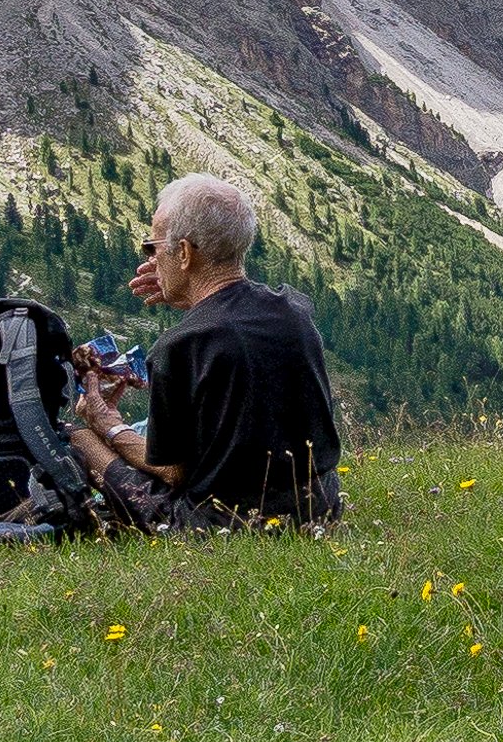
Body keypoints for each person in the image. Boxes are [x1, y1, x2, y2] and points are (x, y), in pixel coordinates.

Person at [65, 172, 343, 526]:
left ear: (183, 252)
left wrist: (109, 425)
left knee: (76, 438)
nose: (151, 259)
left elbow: (173, 472)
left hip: (224, 522)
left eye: (153, 247)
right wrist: (190, 294)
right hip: (318, 506)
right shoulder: (294, 309)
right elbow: (233, 323)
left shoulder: (181, 346)